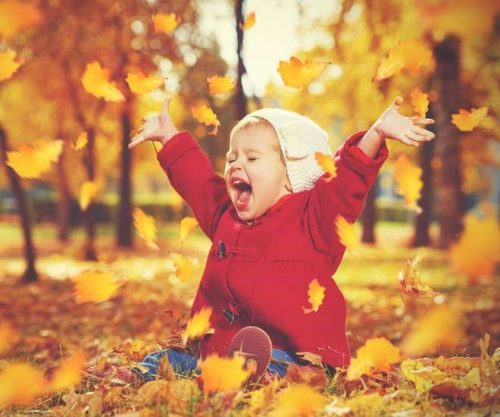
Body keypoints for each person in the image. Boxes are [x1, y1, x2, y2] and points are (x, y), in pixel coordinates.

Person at [123, 96, 434, 384]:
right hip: (218, 351)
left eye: (252, 158)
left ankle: (248, 377)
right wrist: (169, 136)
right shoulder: (225, 216)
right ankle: (142, 375)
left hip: (295, 356)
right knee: (167, 360)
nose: (235, 164)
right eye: (232, 157)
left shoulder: (313, 220)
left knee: (275, 368)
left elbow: (345, 183)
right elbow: (200, 183)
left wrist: (375, 134)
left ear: (290, 177)